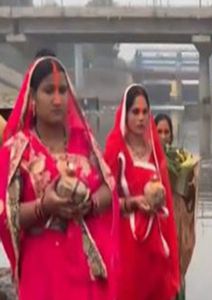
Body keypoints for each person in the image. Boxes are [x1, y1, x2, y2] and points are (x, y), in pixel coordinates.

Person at [0, 56, 119, 300]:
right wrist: (45, 207)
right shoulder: (17, 151)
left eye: (62, 90)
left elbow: (110, 188)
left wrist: (91, 204)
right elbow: (6, 216)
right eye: (48, 91)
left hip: (88, 271)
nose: (57, 100)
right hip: (43, 274)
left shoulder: (85, 143)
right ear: (32, 97)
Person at [104, 84, 180, 299]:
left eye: (145, 112)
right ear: (124, 114)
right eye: (135, 112)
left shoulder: (155, 152)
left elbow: (168, 208)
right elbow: (103, 202)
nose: (141, 118)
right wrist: (132, 203)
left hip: (154, 246)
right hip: (126, 246)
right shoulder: (116, 151)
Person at [155, 113, 198, 300]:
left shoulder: (180, 160)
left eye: (166, 132)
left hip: (176, 231)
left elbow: (189, 201)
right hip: (156, 232)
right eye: (159, 132)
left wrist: (190, 182)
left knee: (176, 279)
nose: (163, 136)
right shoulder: (147, 162)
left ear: (172, 136)